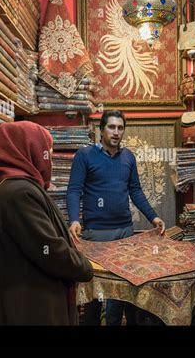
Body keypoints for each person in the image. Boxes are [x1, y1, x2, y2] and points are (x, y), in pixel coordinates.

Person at [0, 121, 93, 325]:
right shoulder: (19, 192)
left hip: (28, 298)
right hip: (30, 306)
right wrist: (85, 266)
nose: (50, 160)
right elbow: (49, 250)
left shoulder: (15, 186)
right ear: (29, 150)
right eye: (47, 152)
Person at [67, 110, 165, 325]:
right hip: (95, 235)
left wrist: (153, 217)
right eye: (111, 127)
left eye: (120, 128)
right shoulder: (85, 155)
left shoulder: (128, 157)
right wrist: (74, 219)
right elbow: (74, 189)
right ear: (100, 130)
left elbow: (135, 190)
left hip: (125, 233)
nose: (116, 132)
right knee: (94, 294)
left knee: (120, 294)